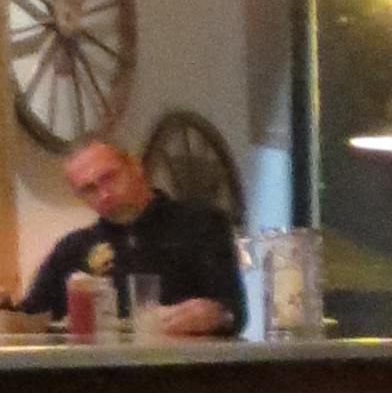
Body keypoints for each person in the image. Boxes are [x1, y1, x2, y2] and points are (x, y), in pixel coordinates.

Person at [15, 138, 243, 336]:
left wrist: (214, 314)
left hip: (186, 367)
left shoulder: (201, 224)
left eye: (109, 178)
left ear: (135, 167)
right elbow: (29, 316)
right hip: (98, 370)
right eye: (89, 189)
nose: (104, 194)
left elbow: (235, 313)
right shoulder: (73, 249)